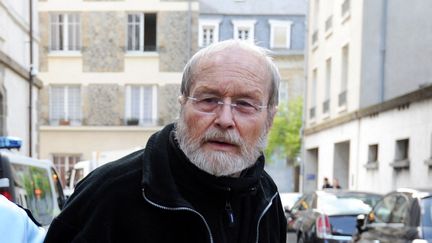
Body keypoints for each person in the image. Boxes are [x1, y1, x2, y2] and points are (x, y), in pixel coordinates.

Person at [44, 39, 287, 243]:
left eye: (244, 104)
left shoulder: (267, 196)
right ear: (182, 105)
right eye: (208, 99)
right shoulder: (108, 193)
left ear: (269, 118)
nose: (224, 120)